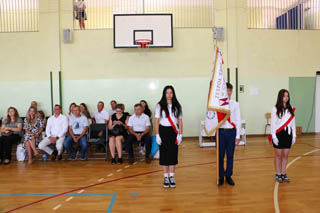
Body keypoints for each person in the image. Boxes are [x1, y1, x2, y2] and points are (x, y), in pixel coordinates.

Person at [155, 85, 183, 188]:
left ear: (173, 94)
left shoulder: (177, 105)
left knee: (173, 153)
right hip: (163, 130)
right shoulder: (159, 105)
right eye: (167, 93)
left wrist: (180, 134)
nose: (169, 95)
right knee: (164, 154)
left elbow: (180, 121)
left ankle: (172, 176)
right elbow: (157, 121)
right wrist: (157, 134)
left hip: (173, 131)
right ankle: (165, 177)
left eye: (171, 92)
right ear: (164, 94)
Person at [217, 83, 241, 186]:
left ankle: (228, 176)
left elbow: (238, 119)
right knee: (220, 155)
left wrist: (238, 135)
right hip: (221, 132)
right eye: (226, 90)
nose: (228, 92)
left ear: (231, 92)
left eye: (229, 90)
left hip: (231, 132)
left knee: (230, 155)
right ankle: (221, 176)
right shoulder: (218, 104)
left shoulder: (235, 104)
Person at [271, 89, 296, 183]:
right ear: (280, 97)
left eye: (287, 96)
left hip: (288, 134)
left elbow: (293, 123)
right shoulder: (275, 109)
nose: (286, 98)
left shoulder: (290, 108)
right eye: (284, 96)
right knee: (278, 155)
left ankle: (283, 173)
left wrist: (294, 136)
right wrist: (274, 136)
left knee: (285, 155)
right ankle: (278, 173)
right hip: (278, 134)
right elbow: (273, 124)